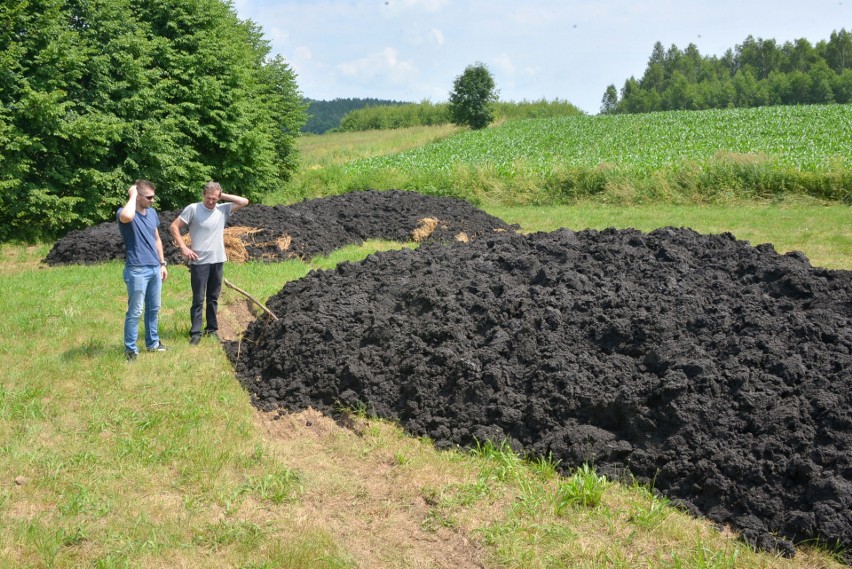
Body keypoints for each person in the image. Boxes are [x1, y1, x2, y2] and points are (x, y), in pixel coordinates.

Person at [170, 181, 249, 345]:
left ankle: (211, 329)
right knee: (198, 298)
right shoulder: (193, 209)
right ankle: (196, 332)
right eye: (208, 198)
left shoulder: (223, 209)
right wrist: (184, 247)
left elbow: (244, 201)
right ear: (203, 195)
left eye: (214, 198)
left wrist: (222, 196)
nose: (211, 202)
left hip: (218, 259)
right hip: (199, 261)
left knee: (213, 297)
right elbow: (174, 226)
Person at [117, 180, 168, 361]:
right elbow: (127, 217)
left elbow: (156, 239)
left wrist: (162, 264)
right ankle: (131, 349)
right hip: (137, 269)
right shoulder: (125, 213)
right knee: (135, 311)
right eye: (149, 197)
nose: (153, 200)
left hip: (154, 268)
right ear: (138, 196)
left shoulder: (152, 213)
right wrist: (132, 195)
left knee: (153, 308)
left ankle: (152, 343)